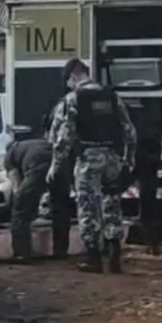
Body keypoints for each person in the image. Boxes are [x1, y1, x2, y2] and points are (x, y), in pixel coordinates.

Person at [47, 58, 137, 273]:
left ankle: (93, 258)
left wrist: (55, 165)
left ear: (74, 76)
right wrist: (129, 159)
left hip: (88, 159)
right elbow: (129, 131)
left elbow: (63, 137)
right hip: (113, 158)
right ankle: (115, 254)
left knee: (88, 207)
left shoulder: (73, 99)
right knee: (112, 204)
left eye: (68, 80)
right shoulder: (112, 96)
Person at [4, 138, 72, 262]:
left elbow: (16, 185)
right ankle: (60, 251)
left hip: (37, 166)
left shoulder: (10, 154)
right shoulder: (36, 143)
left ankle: (21, 254)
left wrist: (19, 200)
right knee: (61, 208)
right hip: (60, 163)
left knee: (20, 210)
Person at [121, 98, 162, 256]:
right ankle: (152, 243)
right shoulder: (156, 105)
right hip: (149, 158)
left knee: (111, 195)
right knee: (148, 202)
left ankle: (110, 241)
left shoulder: (123, 105)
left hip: (135, 157)